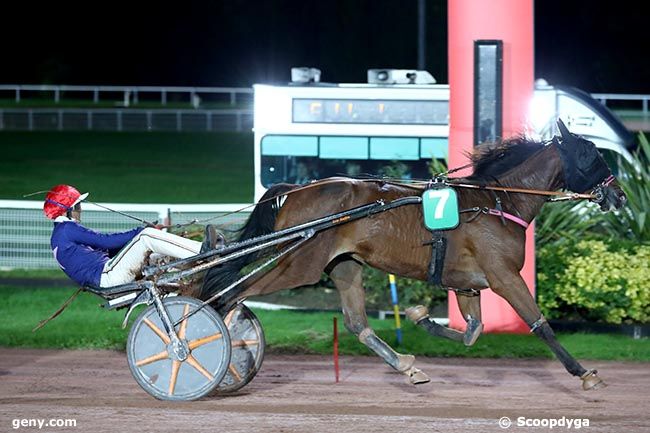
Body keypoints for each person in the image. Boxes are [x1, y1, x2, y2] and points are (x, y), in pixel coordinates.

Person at [44, 184, 220, 289]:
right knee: (146, 237)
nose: (80, 210)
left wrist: (139, 236)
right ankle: (202, 251)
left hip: (107, 273)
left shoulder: (61, 234)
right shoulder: (67, 229)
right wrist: (140, 231)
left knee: (157, 254)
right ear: (67, 210)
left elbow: (108, 248)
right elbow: (105, 241)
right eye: (78, 206)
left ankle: (202, 267)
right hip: (108, 275)